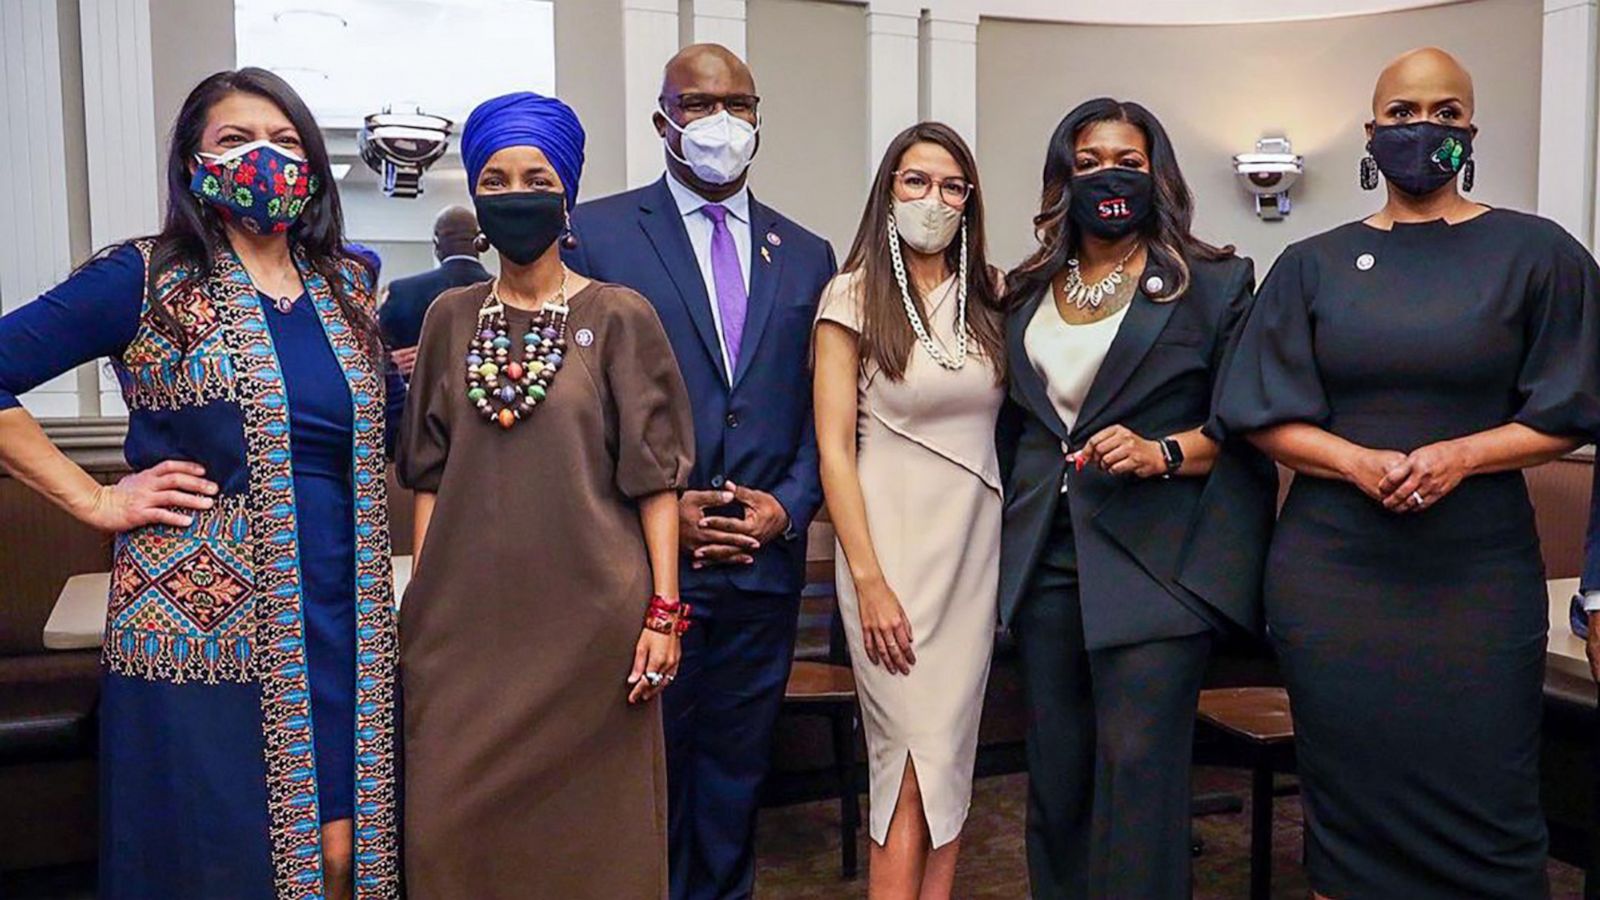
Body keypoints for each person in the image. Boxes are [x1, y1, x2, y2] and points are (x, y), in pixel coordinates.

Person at [0, 68, 402, 900]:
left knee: (343, 854)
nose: (264, 157)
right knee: (220, 858)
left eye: (287, 142)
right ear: (192, 163)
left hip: (345, 615)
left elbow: (386, 435)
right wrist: (95, 499)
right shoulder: (143, 277)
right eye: (235, 140)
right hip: (203, 624)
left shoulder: (349, 287)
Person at [1216, 48, 1600, 899]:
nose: (1421, 128)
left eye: (1443, 113)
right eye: (1400, 113)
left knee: (1490, 789)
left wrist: (1464, 453)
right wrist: (1354, 462)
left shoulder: (1538, 253)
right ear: (1369, 131)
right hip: (1334, 576)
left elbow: (1572, 407)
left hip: (1475, 573)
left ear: (1470, 131)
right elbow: (1258, 410)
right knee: (1348, 800)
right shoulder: (1311, 264)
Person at [397, 91, 695, 899]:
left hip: (593, 630)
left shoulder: (620, 315)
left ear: (565, 193)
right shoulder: (447, 320)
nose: (514, 193)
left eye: (534, 176)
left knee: (592, 851)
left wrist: (664, 613)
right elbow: (426, 473)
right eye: (494, 179)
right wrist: (420, 602)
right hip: (463, 630)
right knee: (446, 834)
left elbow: (656, 480)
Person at [565, 43, 836, 900]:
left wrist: (785, 510)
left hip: (762, 571)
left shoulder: (807, 253)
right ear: (662, 121)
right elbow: (575, 412)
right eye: (698, 105)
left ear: (758, 120)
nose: (720, 122)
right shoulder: (598, 235)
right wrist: (655, 507)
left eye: (738, 105)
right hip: (643, 568)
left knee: (734, 780)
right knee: (644, 776)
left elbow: (822, 412)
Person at [997, 98, 1275, 900]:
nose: (1109, 175)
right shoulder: (1024, 290)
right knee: (1056, 778)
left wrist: (1162, 453)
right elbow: (1019, 426)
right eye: (1088, 162)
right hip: (1048, 559)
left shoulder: (1214, 284)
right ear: (1063, 176)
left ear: (1158, 174)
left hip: (1158, 566)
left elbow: (1247, 426)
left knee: (1139, 775)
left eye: (1128, 160)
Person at [813, 122, 1005, 898]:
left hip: (971, 556)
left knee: (951, 762)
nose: (935, 200)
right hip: (885, 557)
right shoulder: (852, 295)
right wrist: (869, 582)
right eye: (916, 182)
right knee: (907, 768)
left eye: (953, 186)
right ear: (888, 190)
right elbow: (833, 450)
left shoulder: (991, 293)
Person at [379, 205, 490, 378]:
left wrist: (388, 365)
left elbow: (376, 354)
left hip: (419, 401)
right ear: (480, 242)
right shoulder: (506, 293)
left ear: (436, 244)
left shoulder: (401, 292)